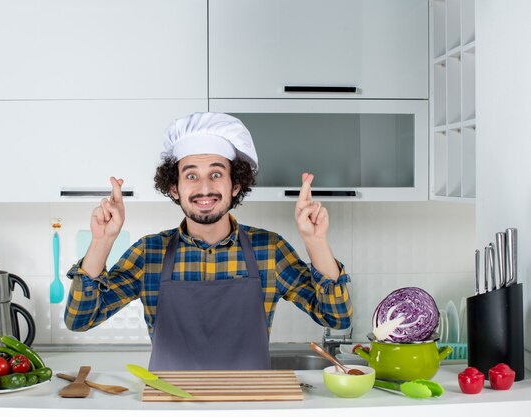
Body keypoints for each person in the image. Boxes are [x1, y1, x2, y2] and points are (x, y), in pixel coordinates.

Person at [64, 112, 352, 370]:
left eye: (216, 174)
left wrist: (315, 242)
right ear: (174, 188)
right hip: (171, 407)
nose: (205, 188)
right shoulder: (149, 253)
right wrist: (102, 242)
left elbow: (336, 318)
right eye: (191, 176)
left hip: (249, 406)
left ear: (234, 185)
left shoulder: (269, 250)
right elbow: (80, 320)